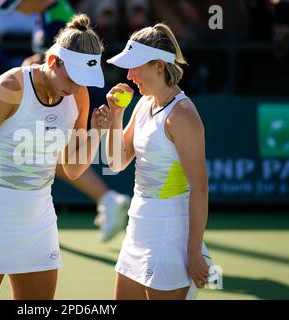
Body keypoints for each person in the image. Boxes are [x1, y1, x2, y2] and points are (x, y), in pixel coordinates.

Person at [0, 14, 113, 300]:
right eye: (72, 78)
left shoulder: (79, 96)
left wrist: (97, 134)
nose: (77, 86)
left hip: (39, 220)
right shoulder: (9, 89)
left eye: (83, 80)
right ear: (53, 61)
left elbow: (73, 168)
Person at [0, 0, 131, 242]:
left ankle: (108, 199)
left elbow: (57, 66)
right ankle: (107, 199)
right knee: (55, 158)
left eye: (17, 4)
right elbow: (46, 61)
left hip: (77, 99)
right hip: (71, 96)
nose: (15, 9)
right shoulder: (46, 16)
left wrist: (31, 67)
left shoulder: (56, 18)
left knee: (57, 158)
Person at [104, 23, 216, 300]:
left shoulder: (183, 115)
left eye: (135, 67)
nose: (129, 76)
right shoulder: (144, 104)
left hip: (170, 236)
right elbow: (116, 163)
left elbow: (200, 189)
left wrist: (193, 252)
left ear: (158, 66)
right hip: (138, 228)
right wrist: (117, 115)